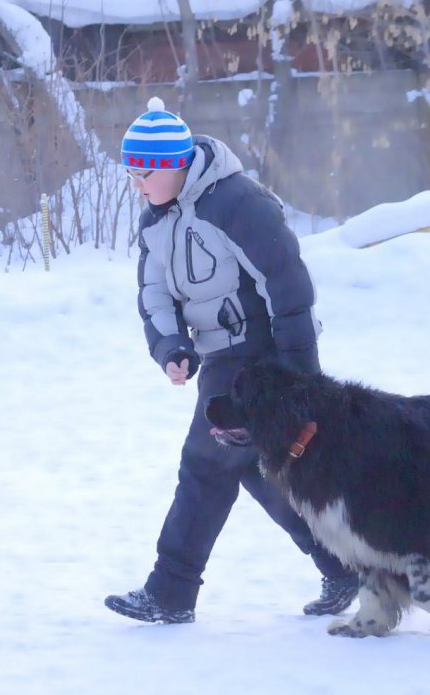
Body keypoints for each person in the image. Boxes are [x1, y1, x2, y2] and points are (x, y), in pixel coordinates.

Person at [105, 97, 358, 624]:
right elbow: (154, 294)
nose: (137, 185)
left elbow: (287, 284)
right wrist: (171, 347)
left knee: (203, 466)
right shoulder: (156, 220)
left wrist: (298, 376)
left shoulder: (236, 203)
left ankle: (170, 594)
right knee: (260, 472)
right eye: (131, 174)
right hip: (217, 356)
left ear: (175, 164)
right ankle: (345, 567)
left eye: (143, 173)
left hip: (260, 358)